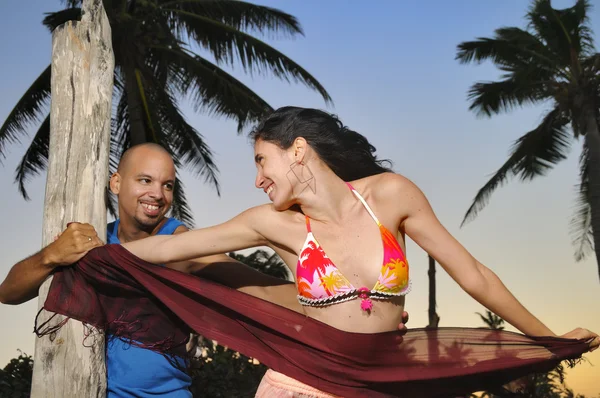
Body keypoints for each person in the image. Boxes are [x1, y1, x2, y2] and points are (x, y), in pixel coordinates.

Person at [121, 107, 599, 396]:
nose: (258, 177)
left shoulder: (392, 196)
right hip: (300, 386)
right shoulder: (271, 223)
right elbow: (165, 250)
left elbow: (473, 274)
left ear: (299, 151)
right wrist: (90, 254)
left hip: (381, 384)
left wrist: (547, 338)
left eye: (262, 160)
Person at [0, 142, 411, 396]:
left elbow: (264, 291)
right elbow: (9, 292)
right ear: (116, 184)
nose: (157, 195)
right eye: (145, 181)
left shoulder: (184, 248)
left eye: (167, 185)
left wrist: (360, 308)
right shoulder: (86, 243)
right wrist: (51, 255)